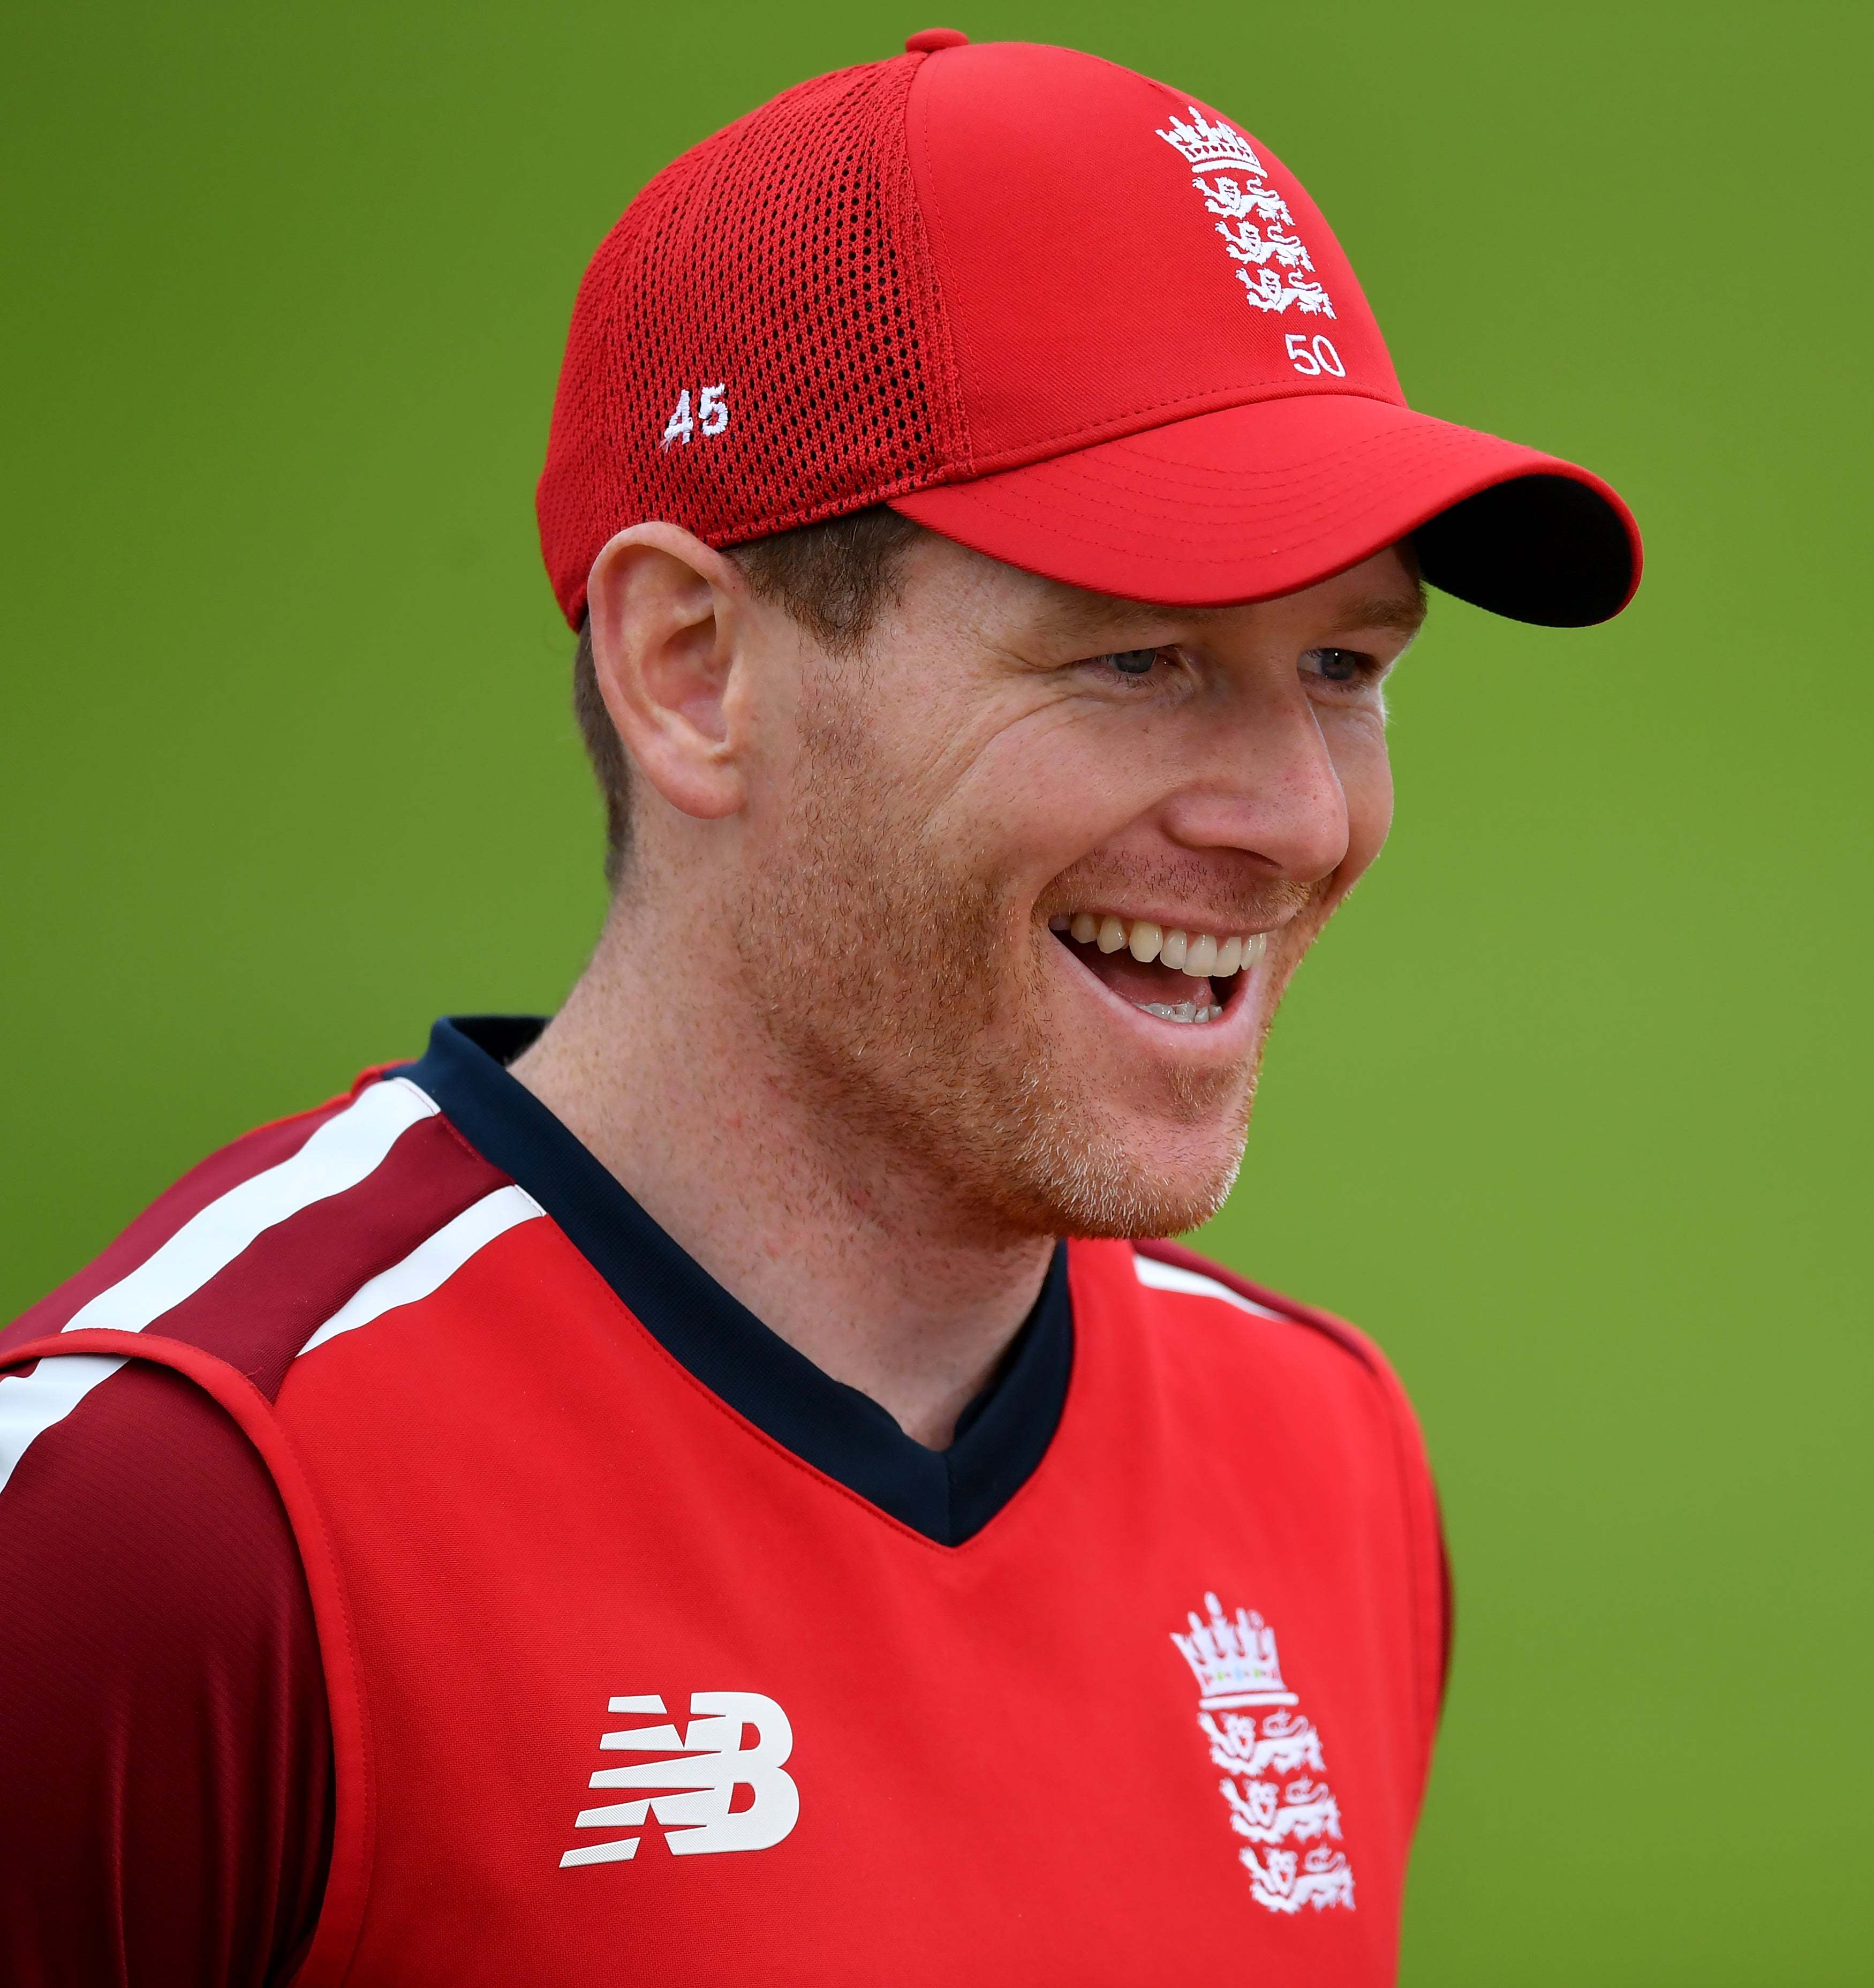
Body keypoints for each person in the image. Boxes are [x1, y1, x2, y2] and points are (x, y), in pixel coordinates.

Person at [0, 31, 1636, 1986]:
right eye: (1133, 661)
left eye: (1347, 666)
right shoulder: (178, 1518)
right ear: (693, 667)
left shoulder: (1323, 1456)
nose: (1298, 815)